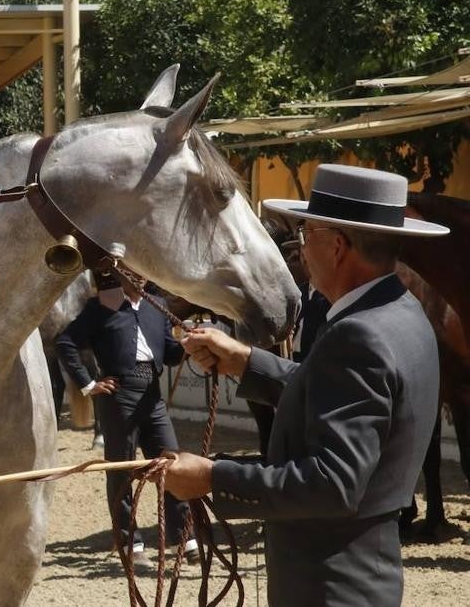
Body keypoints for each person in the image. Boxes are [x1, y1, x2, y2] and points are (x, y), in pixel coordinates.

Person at [165, 164, 448, 606]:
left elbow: (332, 483)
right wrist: (247, 363)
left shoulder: (359, 335)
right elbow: (344, 395)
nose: (298, 250)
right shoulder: (402, 311)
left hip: (327, 586)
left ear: (337, 246)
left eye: (304, 234)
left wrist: (212, 477)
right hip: (364, 573)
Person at [55, 265, 193, 566]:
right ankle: (132, 543)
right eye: (131, 271)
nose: (139, 276)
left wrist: (188, 346)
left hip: (153, 395)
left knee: (171, 461)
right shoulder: (100, 306)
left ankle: (182, 535)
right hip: (118, 396)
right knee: (121, 471)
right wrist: (89, 384)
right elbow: (65, 342)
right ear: (119, 273)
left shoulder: (158, 307)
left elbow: (169, 353)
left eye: (143, 270)